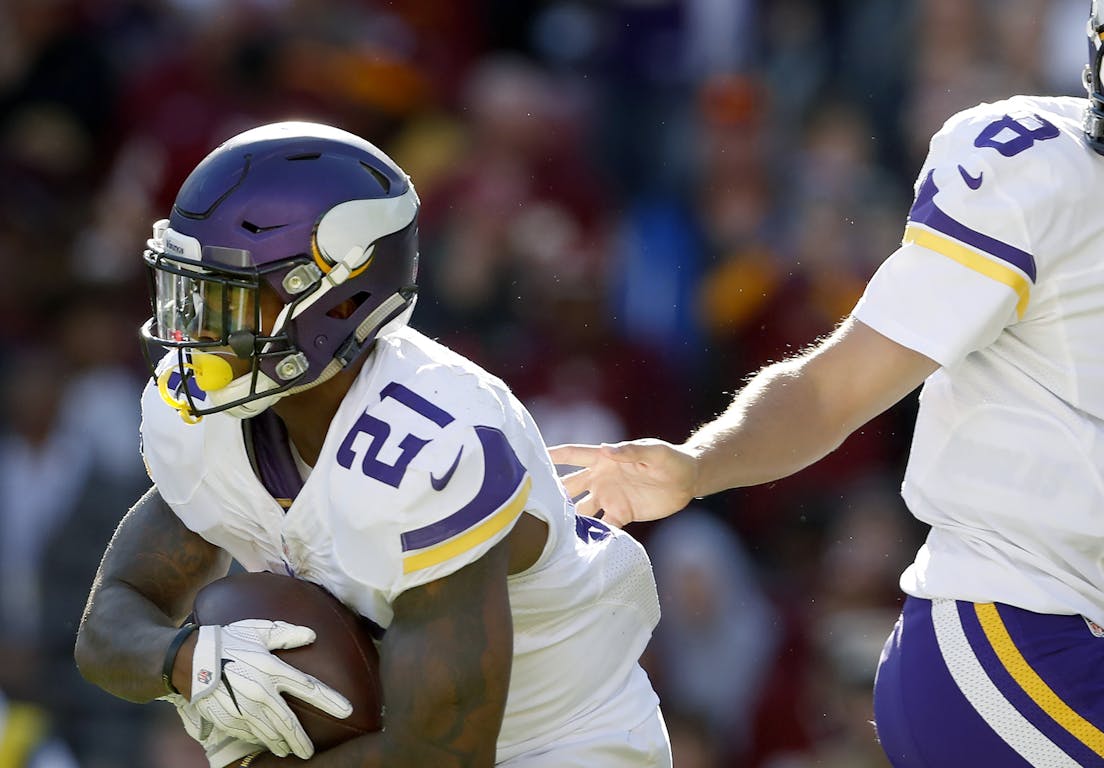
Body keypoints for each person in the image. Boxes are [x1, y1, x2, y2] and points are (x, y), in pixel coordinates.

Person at [550, 1, 1104, 765]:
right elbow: (834, 387)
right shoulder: (1038, 174)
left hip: (1081, 638)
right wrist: (701, 463)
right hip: (1002, 635)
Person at [74, 122, 671, 768]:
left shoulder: (432, 442)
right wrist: (190, 662)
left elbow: (442, 755)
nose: (196, 332)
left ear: (335, 301)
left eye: (227, 299)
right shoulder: (217, 416)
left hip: (562, 741)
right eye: (190, 295)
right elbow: (109, 625)